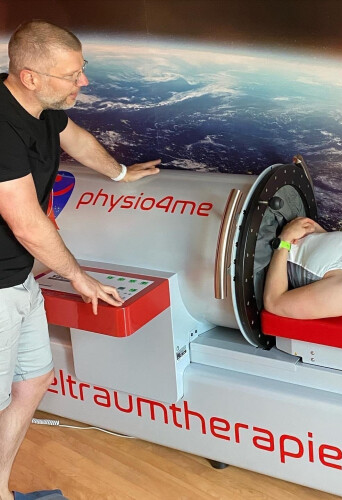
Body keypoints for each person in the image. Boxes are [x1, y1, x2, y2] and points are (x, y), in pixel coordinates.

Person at [0, 20, 161, 500]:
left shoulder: (40, 108)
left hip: (17, 279)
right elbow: (26, 223)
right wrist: (79, 277)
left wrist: (120, 172)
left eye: (81, 69)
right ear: (30, 77)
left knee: (33, 381)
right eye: (72, 75)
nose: (83, 81)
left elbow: (76, 138)